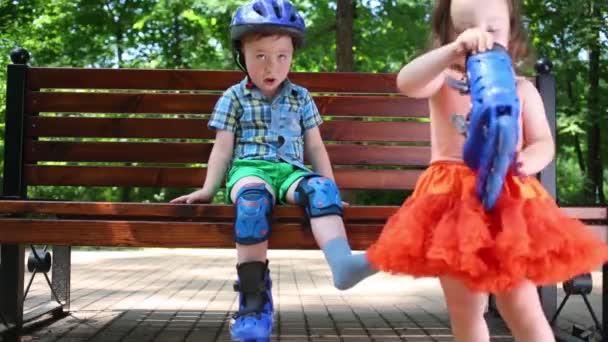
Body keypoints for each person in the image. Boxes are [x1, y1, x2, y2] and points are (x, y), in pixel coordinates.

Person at [366, 0, 608, 341]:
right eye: (464, 29)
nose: (479, 36)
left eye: (492, 29)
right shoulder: (444, 81)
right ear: (447, 35)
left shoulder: (522, 88)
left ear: (513, 35)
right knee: (466, 310)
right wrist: (451, 52)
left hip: (507, 204)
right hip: (451, 206)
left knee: (522, 305)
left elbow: (543, 142)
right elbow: (407, 82)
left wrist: (526, 160)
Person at [170, 0, 376, 340]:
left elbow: (315, 148)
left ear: (293, 56)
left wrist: (333, 191)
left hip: (291, 172)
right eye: (260, 55)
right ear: (242, 55)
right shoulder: (234, 98)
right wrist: (208, 189)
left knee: (321, 190)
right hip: (250, 171)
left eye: (282, 56)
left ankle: (344, 266)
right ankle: (253, 307)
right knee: (252, 203)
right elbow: (222, 149)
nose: (272, 65)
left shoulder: (300, 97)